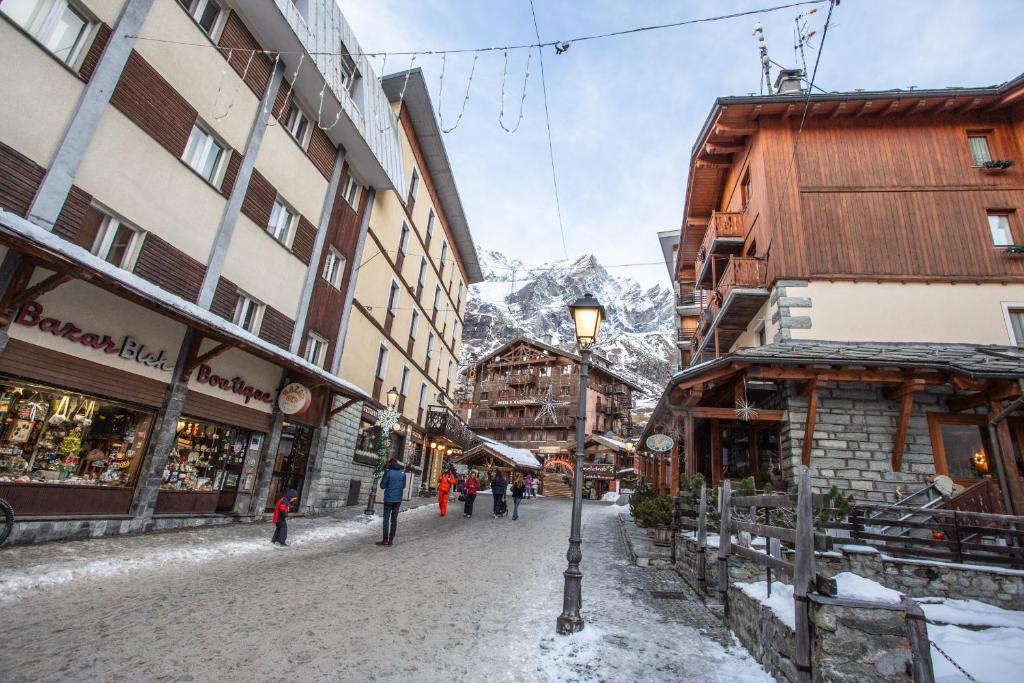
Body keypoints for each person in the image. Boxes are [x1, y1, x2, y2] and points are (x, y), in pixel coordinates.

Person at [376, 458, 406, 547]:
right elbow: (403, 486)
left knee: (386, 519)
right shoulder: (403, 473)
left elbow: (382, 486)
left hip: (388, 499)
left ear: (390, 464)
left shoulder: (388, 472)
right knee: (394, 520)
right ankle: (391, 540)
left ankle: (385, 539)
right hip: (398, 500)